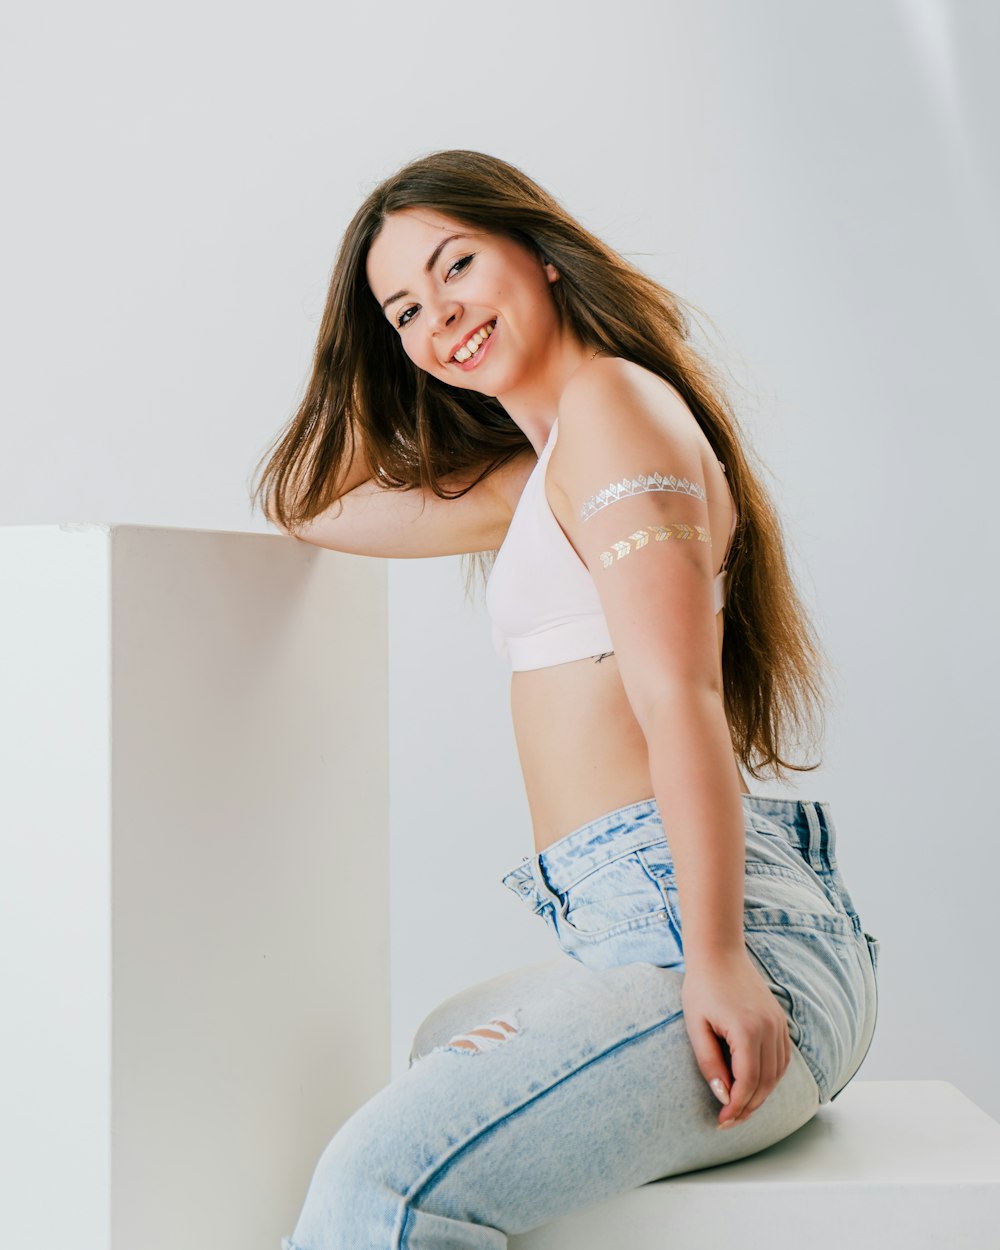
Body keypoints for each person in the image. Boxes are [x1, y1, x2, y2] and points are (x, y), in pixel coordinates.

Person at [251, 148, 880, 1248]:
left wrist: (717, 959)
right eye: (404, 307)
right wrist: (378, 357)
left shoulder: (613, 408)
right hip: (627, 922)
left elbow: (677, 698)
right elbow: (311, 501)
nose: (439, 314)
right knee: (442, 1042)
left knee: (377, 1181)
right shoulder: (536, 471)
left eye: (458, 266)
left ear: (540, 255)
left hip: (710, 930)